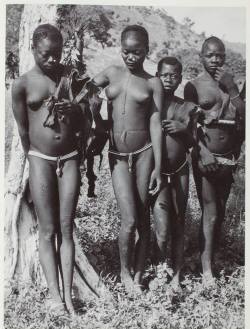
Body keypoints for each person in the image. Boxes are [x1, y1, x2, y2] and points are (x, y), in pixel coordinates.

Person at [11, 24, 95, 314]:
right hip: (40, 160)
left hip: (70, 158)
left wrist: (77, 112)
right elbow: (23, 130)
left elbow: (86, 121)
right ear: (33, 49)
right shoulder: (22, 85)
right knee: (47, 231)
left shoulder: (69, 78)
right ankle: (55, 298)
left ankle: (71, 300)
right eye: (46, 55)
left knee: (66, 229)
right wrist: (36, 159)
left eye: (56, 55)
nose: (51, 60)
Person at [92, 25, 163, 293]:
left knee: (142, 216)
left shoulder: (152, 83)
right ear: (120, 49)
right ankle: (124, 272)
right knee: (129, 218)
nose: (130, 57)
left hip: (144, 153)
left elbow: (155, 123)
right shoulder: (111, 73)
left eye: (136, 52)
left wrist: (158, 164)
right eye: (126, 51)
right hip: (118, 156)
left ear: (146, 51)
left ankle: (139, 272)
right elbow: (84, 90)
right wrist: (96, 119)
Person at [184, 36, 245, 284]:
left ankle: (210, 258)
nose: (215, 59)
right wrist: (203, 151)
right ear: (201, 57)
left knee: (219, 213)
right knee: (210, 212)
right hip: (206, 158)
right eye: (210, 55)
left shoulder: (232, 84)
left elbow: (245, 118)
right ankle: (206, 269)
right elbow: (188, 125)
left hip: (228, 159)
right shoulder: (194, 86)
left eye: (220, 55)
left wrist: (232, 90)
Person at [151, 57, 198, 289]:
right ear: (157, 75)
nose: (169, 79)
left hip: (180, 171)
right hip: (157, 172)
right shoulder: (151, 105)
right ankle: (160, 271)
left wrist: (182, 130)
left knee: (179, 222)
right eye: (165, 75)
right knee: (162, 229)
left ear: (181, 77)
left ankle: (177, 276)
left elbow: (195, 145)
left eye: (175, 75)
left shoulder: (186, 107)